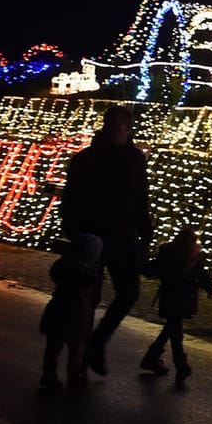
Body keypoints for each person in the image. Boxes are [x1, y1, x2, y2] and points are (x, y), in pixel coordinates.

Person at [60, 105, 154, 376]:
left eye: (120, 126)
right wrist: (76, 233)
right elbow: (72, 198)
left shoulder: (134, 159)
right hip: (93, 235)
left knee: (128, 292)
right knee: (87, 296)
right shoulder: (87, 159)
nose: (116, 130)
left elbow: (141, 197)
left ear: (128, 128)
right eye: (112, 125)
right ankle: (77, 358)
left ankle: (95, 344)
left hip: (121, 234)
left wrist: (144, 232)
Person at [140, 227, 212, 383]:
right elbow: (201, 274)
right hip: (184, 297)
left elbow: (153, 269)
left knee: (172, 328)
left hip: (170, 295)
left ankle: (155, 358)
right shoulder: (193, 255)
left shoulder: (168, 252)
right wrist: (208, 286)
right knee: (174, 329)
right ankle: (179, 364)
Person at [39, 233, 105, 391]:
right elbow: (92, 292)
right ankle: (72, 374)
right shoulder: (88, 271)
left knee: (56, 345)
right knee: (74, 346)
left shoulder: (67, 265)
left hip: (62, 310)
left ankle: (51, 373)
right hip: (76, 312)